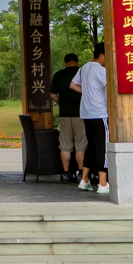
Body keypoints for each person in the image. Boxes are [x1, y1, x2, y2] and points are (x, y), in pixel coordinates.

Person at [71, 40, 110, 194]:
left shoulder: (83, 68)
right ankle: (102, 183)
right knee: (102, 147)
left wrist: (87, 91)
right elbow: (111, 86)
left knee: (91, 146)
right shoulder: (101, 70)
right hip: (100, 112)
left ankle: (85, 179)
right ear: (102, 55)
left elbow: (73, 85)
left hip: (86, 113)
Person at [51, 51, 85, 181]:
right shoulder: (82, 73)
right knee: (81, 144)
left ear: (65, 63)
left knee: (65, 145)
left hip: (65, 114)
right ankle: (81, 172)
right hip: (80, 113)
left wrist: (61, 103)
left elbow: (52, 94)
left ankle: (66, 172)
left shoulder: (58, 75)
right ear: (77, 62)